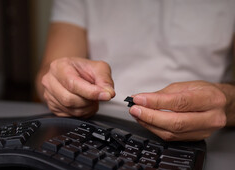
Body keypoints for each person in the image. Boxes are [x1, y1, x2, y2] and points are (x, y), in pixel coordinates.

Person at [36, 0, 235, 141]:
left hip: (211, 136)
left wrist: (227, 102)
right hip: (95, 125)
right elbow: (48, 73)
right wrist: (60, 87)